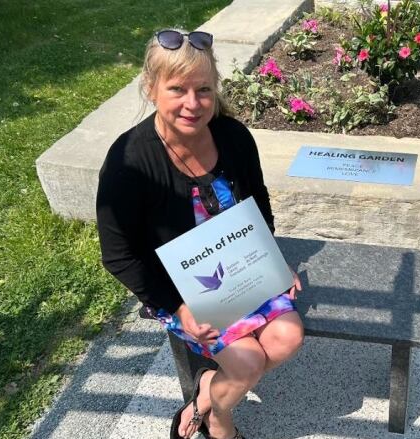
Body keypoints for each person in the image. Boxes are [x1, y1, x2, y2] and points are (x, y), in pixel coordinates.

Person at [96, 29, 304, 439]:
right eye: (178, 89)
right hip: (182, 290)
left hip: (244, 266)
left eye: (204, 90)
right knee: (246, 363)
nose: (193, 104)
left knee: (286, 339)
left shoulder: (234, 137)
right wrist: (176, 308)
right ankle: (220, 421)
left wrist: (272, 258)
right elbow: (117, 254)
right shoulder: (129, 162)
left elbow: (257, 203)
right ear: (151, 88)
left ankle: (205, 394)